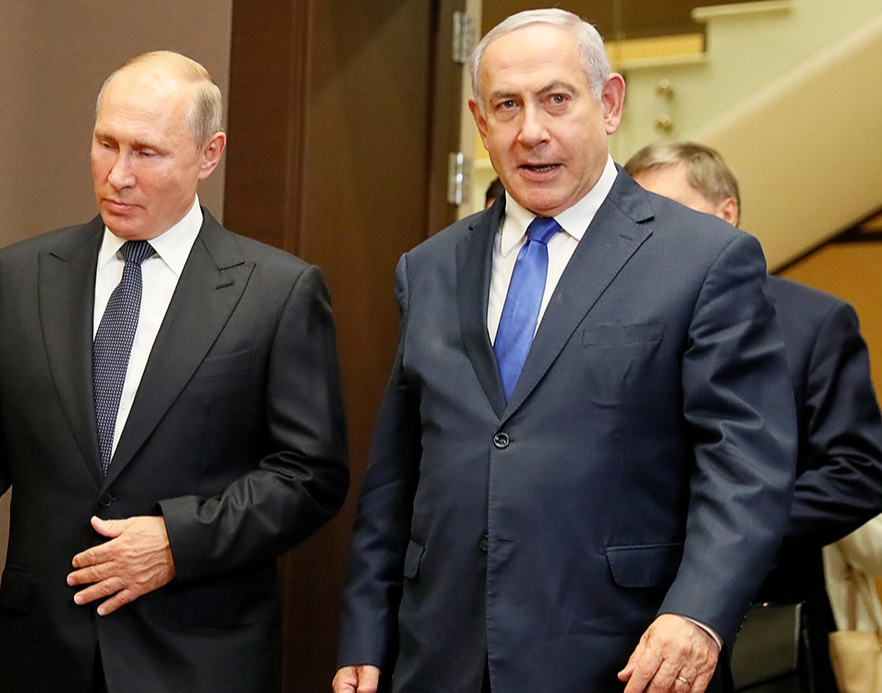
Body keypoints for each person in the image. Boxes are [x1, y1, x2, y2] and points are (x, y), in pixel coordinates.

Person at [334, 9, 797, 693]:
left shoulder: (704, 259)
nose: (531, 131)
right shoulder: (427, 267)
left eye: (556, 99)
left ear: (608, 104)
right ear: (480, 121)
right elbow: (397, 478)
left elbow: (746, 468)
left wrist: (697, 614)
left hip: (624, 657)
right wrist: (365, 634)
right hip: (443, 655)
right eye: (506, 106)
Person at [0, 51, 349, 693]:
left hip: (198, 658)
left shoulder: (277, 293)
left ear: (209, 155)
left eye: (147, 152)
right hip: (45, 653)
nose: (118, 175)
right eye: (106, 144)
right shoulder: (21, 276)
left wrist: (179, 541)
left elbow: (310, 474)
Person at [625, 139, 882, 693]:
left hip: (767, 619)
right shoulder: (618, 324)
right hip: (628, 617)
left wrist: (732, 534)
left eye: (669, 212)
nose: (651, 233)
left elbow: (859, 471)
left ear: (727, 214)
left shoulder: (814, 321)